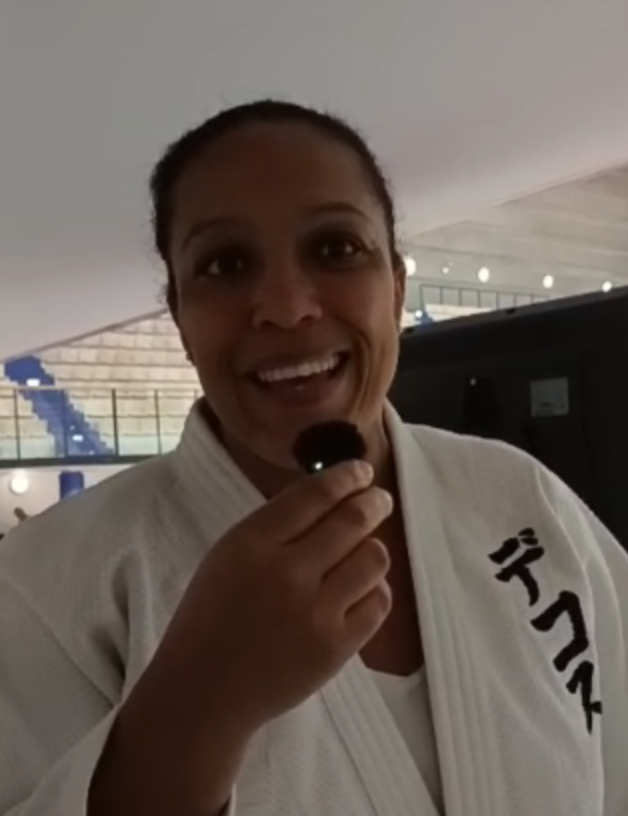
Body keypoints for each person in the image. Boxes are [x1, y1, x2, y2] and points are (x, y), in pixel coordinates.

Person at [0, 100, 627, 816]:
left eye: (335, 248)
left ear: (396, 287)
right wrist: (198, 708)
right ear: (180, 318)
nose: (287, 306)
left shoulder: (521, 502)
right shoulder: (45, 588)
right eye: (226, 264)